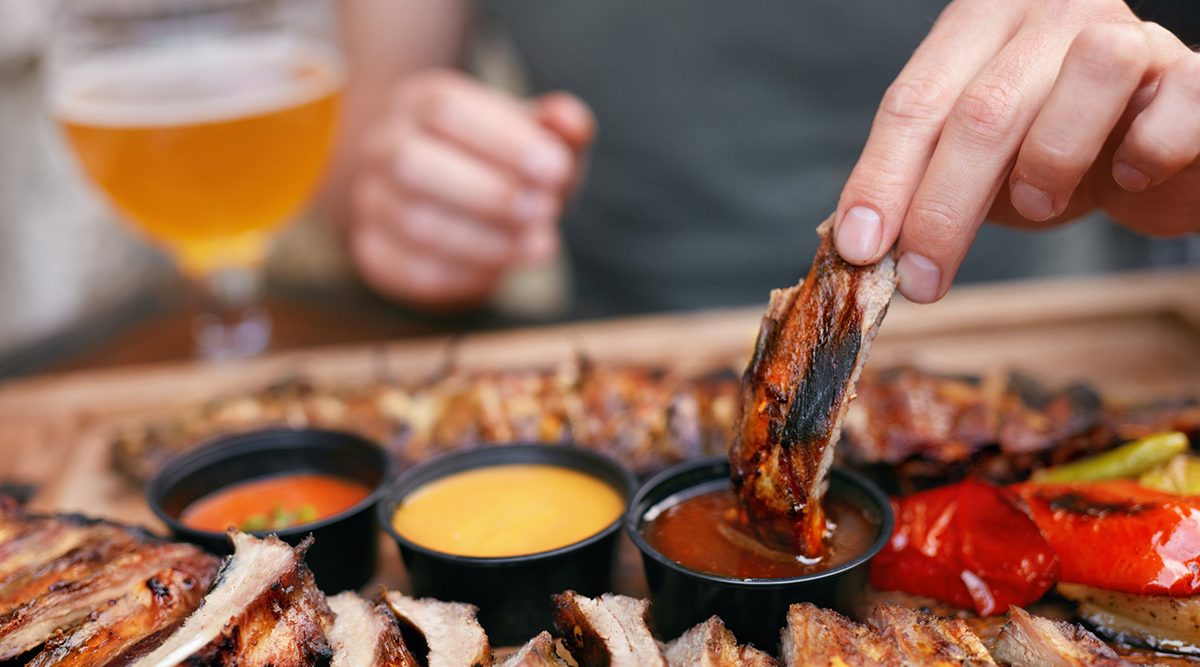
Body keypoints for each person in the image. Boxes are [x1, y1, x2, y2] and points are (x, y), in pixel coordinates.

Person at [326, 0, 1200, 316]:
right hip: (620, 349)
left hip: (1043, 331)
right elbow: (357, 138)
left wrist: (1164, 154)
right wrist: (403, 189)